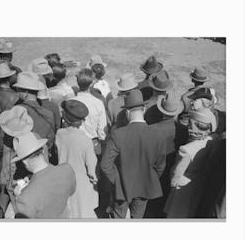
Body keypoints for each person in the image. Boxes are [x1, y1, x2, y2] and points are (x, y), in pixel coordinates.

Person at [100, 89, 166, 218]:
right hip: (144, 184)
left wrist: (116, 181)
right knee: (137, 218)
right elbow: (160, 166)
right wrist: (150, 178)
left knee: (119, 217)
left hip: (122, 187)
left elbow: (105, 165)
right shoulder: (158, 135)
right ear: (145, 110)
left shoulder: (118, 134)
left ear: (127, 112)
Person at [164, 108, 217, 218]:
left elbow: (175, 175)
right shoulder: (212, 141)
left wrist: (172, 183)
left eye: (190, 124)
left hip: (182, 190)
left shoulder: (186, 149)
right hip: (199, 184)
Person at [13, 132, 76, 218]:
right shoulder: (67, 169)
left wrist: (19, 195)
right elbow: (71, 191)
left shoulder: (24, 199)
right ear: (42, 150)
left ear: (24, 162)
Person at [56, 100, 98, 218]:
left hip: (64, 182)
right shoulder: (86, 141)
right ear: (81, 121)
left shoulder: (59, 134)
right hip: (81, 186)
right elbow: (92, 172)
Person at [144, 93, 183, 217]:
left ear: (161, 111)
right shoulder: (183, 129)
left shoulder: (151, 129)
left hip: (153, 170)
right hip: (171, 168)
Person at [71, 68, 107, 152]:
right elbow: (102, 130)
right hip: (92, 143)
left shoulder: (70, 101)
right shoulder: (98, 103)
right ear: (91, 84)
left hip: (74, 142)